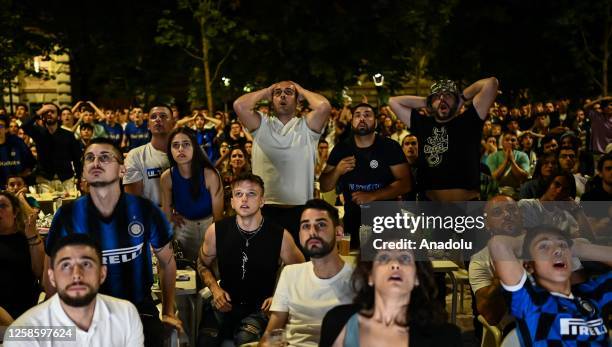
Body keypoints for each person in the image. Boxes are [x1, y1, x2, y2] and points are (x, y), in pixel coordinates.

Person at [44, 137, 181, 347]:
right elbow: (51, 270)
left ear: (122, 170)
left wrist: (169, 310)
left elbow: (167, 262)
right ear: (83, 172)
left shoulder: (145, 210)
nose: (96, 162)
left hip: (139, 311)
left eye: (105, 157)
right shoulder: (67, 215)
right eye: (89, 158)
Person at [196, 173, 304, 346]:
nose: (244, 199)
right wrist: (215, 289)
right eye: (238, 194)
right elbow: (202, 263)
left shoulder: (280, 236)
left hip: (260, 308)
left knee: (245, 340)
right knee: (205, 341)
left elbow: (302, 271)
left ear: (262, 201)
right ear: (232, 201)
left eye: (251, 194)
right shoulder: (216, 231)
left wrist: (278, 296)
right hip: (225, 303)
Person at [233, 81, 331, 243]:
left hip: (299, 211)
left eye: (288, 92)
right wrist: (266, 91)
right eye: (277, 93)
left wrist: (300, 90)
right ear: (271, 100)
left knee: (299, 264)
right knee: (266, 264)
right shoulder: (261, 124)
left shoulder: (307, 126)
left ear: (298, 99)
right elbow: (239, 105)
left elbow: (323, 107)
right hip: (265, 211)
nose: (283, 95)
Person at [4, 234, 143, 347]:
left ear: (102, 273)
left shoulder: (126, 314)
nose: (76, 274)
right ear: (52, 277)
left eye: (86, 264)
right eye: (65, 265)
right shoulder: (24, 332)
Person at [489, 225, 612, 346]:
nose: (558, 250)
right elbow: (498, 245)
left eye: (562, 246)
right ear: (529, 266)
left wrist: (575, 247)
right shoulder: (530, 301)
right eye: (543, 247)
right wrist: (531, 239)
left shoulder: (592, 293)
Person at [319, 244, 461, 347]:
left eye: (405, 258)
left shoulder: (444, 337)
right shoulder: (337, 321)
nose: (395, 265)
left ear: (417, 277)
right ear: (370, 276)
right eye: (384, 257)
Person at [260, 199, 354, 347]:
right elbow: (271, 334)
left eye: (321, 224)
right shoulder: (290, 274)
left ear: (338, 233)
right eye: (305, 226)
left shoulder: (359, 279)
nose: (312, 232)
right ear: (299, 235)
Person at [389, 77, 499, 201]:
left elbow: (492, 83)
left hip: (467, 207)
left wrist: (462, 98)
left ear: (455, 100)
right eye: (437, 96)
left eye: (448, 95)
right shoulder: (422, 124)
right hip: (431, 208)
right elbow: (393, 101)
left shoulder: (469, 120)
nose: (442, 99)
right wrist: (427, 102)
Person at [319, 103, 411, 248]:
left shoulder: (389, 147)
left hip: (386, 223)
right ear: (352, 121)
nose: (362, 118)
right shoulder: (341, 149)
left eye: (367, 115)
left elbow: (406, 183)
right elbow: (324, 186)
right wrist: (337, 171)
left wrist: (373, 195)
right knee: (355, 268)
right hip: (353, 223)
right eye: (357, 115)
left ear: (376, 121)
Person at [160, 127, 223, 263]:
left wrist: (215, 237)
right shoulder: (167, 177)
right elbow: (166, 210)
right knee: (185, 272)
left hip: (209, 225)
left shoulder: (210, 174)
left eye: (186, 144)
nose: (180, 149)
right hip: (184, 227)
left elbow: (218, 216)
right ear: (170, 150)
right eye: (175, 145)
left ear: (195, 147)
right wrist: (171, 217)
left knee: (211, 270)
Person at [0, 191, 43, 321]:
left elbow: (39, 271)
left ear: (15, 212)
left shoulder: (27, 237)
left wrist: (32, 236)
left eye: (2, 206)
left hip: (26, 310)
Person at [21, 103, 82, 193]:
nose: (49, 113)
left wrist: (79, 178)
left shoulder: (68, 135)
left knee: (68, 206)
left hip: (66, 179)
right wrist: (40, 112)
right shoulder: (38, 132)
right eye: (46, 112)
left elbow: (76, 159)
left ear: (58, 117)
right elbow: (24, 125)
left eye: (52, 111)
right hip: (44, 180)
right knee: (45, 207)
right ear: (42, 116)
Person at [123, 104, 175, 206]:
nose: (158, 119)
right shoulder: (135, 156)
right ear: (148, 125)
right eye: (153, 117)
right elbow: (133, 203)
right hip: (151, 219)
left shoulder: (187, 152)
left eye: (163, 116)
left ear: (173, 123)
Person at [486, 132, 530, 198]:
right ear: (502, 142)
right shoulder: (492, 156)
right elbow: (493, 177)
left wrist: (512, 161)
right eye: (507, 140)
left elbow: (523, 177)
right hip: (497, 192)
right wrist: (506, 160)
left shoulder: (523, 155)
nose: (510, 142)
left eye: (513, 140)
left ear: (517, 142)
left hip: (516, 192)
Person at [0, 115, 36, 189]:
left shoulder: (17, 143)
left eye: (1, 126)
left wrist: (22, 176)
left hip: (20, 187)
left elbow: (31, 163)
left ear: (6, 129)